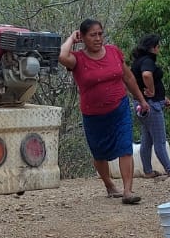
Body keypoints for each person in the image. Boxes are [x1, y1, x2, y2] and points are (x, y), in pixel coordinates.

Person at [58, 18, 149, 204]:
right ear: (82, 37)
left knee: (125, 147)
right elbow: (61, 55)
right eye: (92, 35)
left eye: (100, 34)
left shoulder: (114, 52)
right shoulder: (78, 59)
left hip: (119, 108)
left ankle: (128, 191)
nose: (98, 38)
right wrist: (70, 38)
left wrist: (141, 99)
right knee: (99, 154)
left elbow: (128, 77)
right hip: (93, 115)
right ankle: (109, 184)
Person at [130, 33, 170, 180]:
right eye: (158, 46)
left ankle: (148, 170)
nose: (159, 49)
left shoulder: (138, 61)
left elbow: (141, 81)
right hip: (151, 105)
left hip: (142, 103)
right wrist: (153, 93)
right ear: (152, 48)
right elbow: (147, 75)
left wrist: (161, 97)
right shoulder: (148, 61)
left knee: (147, 138)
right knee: (159, 139)